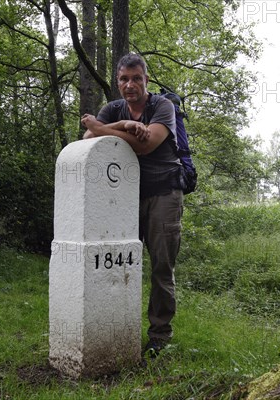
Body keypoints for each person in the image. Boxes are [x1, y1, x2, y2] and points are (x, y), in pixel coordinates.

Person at [81, 53, 183, 357]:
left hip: (165, 194)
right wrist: (125, 123)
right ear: (117, 81)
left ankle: (159, 337)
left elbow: (147, 144)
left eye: (136, 78)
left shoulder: (162, 106)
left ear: (146, 80)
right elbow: (89, 137)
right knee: (119, 260)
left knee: (161, 269)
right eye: (124, 79)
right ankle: (116, 330)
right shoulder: (113, 108)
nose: (130, 85)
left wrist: (105, 129)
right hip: (125, 197)